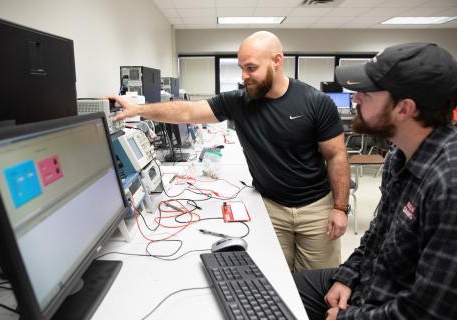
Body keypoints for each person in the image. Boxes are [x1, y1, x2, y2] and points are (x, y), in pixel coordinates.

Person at [110, 31, 350, 271]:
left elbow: (336, 156)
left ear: (276, 61)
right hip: (270, 207)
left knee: (318, 283)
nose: (244, 76)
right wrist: (137, 109)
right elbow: (188, 112)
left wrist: (340, 207)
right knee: (277, 278)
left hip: (316, 208)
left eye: (251, 68)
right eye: (241, 68)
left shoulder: (315, 102)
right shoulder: (238, 102)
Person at [293, 42, 457, 320]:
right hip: (372, 282)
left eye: (367, 93)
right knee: (268, 287)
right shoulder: (399, 155)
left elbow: (428, 311)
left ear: (404, 109)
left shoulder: (448, 184)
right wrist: (347, 276)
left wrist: (346, 318)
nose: (355, 97)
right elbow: (378, 233)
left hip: (395, 307)